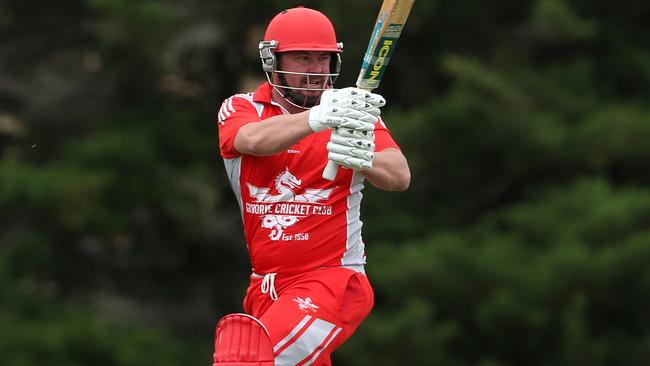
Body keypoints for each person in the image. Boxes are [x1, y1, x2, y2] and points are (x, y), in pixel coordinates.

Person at [213, 6, 410, 366]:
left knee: (248, 360)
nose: (316, 70)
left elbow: (399, 175)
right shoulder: (243, 108)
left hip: (332, 281)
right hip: (266, 287)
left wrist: (364, 157)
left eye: (323, 59)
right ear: (272, 59)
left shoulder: (354, 114)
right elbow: (251, 141)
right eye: (303, 58)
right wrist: (318, 118)